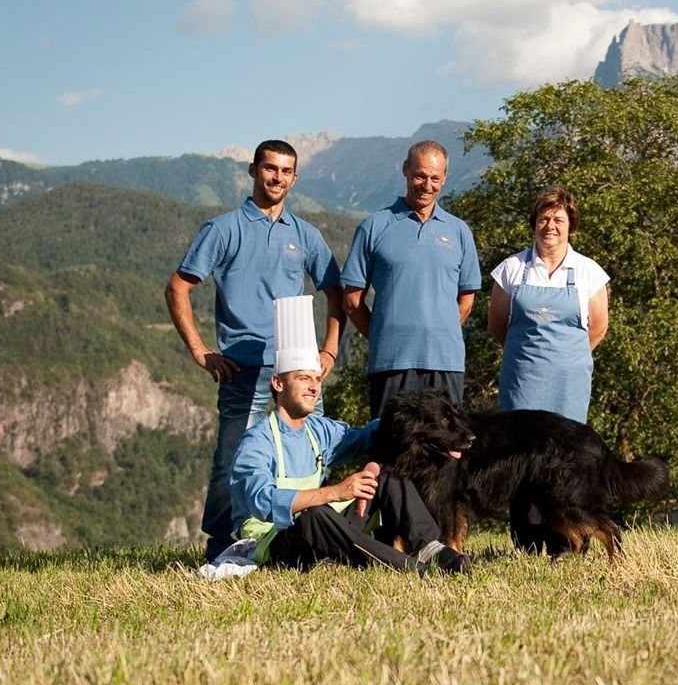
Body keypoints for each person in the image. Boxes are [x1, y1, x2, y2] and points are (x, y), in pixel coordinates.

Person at [165, 139, 345, 562]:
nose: (277, 177)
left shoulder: (305, 234)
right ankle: (222, 544)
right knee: (233, 460)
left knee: (314, 453)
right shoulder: (222, 229)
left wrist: (330, 350)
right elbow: (177, 288)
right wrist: (200, 351)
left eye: (286, 171)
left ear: (295, 178)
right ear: (253, 170)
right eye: (270, 168)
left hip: (299, 369)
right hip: (242, 369)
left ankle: (314, 536)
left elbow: (336, 292)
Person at [227, 298, 467, 573]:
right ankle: (408, 567)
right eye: (304, 378)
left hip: (322, 530)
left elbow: (368, 436)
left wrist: (411, 418)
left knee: (388, 473)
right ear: (278, 383)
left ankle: (432, 550)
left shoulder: (319, 431)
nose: (314, 387)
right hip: (274, 543)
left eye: (317, 379)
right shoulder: (257, 443)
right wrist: (336, 492)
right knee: (314, 515)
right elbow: (262, 501)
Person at [340, 140, 482, 415]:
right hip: (391, 363)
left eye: (435, 178)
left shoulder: (460, 231)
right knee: (391, 440)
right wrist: (383, 336)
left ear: (444, 178)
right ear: (405, 169)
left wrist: (438, 333)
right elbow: (352, 301)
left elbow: (466, 301)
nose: (427, 185)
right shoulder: (374, 226)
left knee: (446, 441)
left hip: (446, 363)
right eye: (420, 176)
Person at [487, 185, 610, 423]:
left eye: (558, 220)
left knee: (567, 443)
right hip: (521, 382)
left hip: (569, 386)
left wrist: (567, 358)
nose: (550, 226)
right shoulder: (511, 268)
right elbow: (497, 325)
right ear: (534, 224)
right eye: (543, 219)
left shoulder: (589, 272)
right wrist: (526, 355)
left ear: (570, 226)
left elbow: (598, 328)